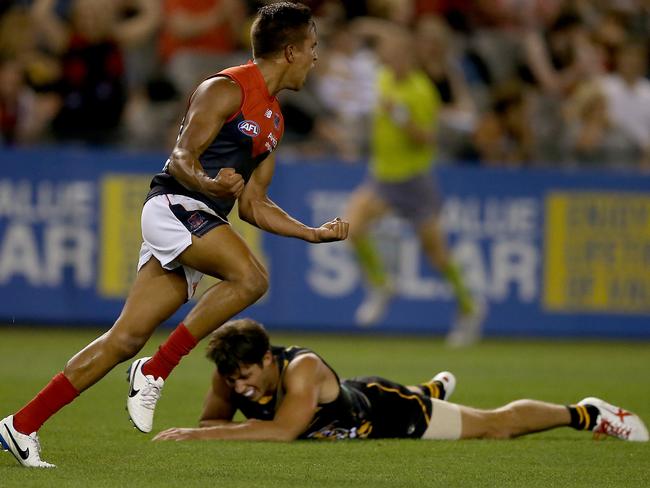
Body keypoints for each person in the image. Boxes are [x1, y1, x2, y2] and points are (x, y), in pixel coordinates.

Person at [0, 2, 348, 468]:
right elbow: (182, 156)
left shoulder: (274, 120)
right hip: (174, 206)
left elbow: (254, 205)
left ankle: (21, 425)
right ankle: (157, 368)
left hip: (199, 218)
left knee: (123, 339)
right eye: (312, 47)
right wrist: (207, 183)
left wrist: (310, 233)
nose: (316, 57)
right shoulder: (225, 88)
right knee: (252, 279)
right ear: (289, 51)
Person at [153, 318, 649, 443]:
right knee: (413, 393)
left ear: (267, 358)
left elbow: (282, 431)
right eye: (230, 379)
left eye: (245, 377)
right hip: (354, 401)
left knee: (494, 426)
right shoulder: (229, 374)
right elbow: (212, 425)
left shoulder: (300, 370)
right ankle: (430, 388)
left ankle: (588, 414)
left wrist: (200, 433)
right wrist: (206, 426)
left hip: (387, 412)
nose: (239, 387)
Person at [344, 20, 482, 345]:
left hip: (415, 182)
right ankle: (381, 285)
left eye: (394, 54)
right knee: (350, 228)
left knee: (436, 255)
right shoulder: (382, 79)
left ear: (408, 58)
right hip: (382, 177)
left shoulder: (422, 91)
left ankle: (469, 308)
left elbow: (428, 139)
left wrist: (401, 117)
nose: (388, 59)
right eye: (386, 54)